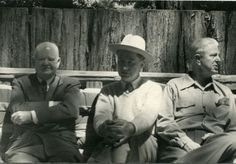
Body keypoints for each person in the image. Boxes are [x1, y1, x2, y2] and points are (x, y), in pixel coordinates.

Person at [156, 37, 236, 163]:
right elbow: (164, 122)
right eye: (213, 55)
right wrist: (185, 142)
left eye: (218, 56)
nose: (219, 60)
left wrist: (217, 138)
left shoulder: (225, 92)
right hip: (180, 145)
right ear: (198, 59)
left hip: (215, 144)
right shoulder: (175, 86)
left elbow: (233, 129)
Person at [0, 42, 82, 162]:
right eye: (41, 59)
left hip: (62, 144)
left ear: (58, 62)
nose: (45, 63)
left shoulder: (70, 84)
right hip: (26, 144)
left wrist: (31, 116)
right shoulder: (21, 83)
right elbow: (17, 108)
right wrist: (57, 106)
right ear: (34, 61)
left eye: (50, 59)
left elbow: (71, 110)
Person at [87, 34, 163, 162]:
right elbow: (101, 114)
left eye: (130, 62)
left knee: (125, 152)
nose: (124, 68)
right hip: (113, 138)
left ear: (141, 65)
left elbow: (147, 115)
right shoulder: (108, 90)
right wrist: (104, 127)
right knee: (110, 152)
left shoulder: (152, 88)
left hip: (142, 141)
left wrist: (130, 128)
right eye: (121, 61)